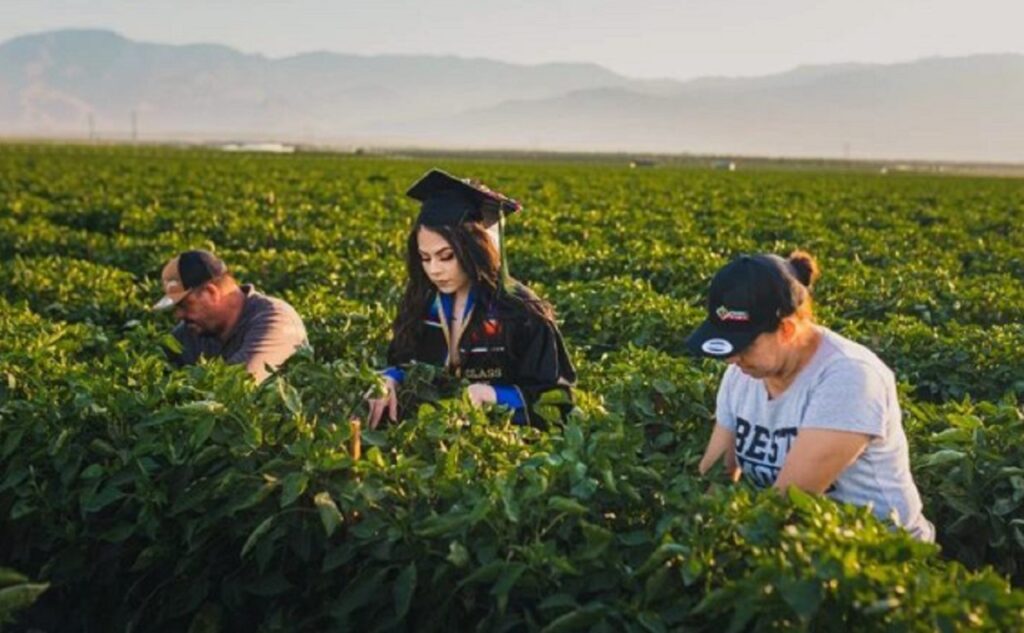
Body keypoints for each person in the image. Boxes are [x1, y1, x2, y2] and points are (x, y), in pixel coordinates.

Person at [688, 250, 934, 542]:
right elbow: (715, 477)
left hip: (884, 557)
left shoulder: (849, 378)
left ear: (787, 330)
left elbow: (785, 504)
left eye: (744, 346)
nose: (732, 359)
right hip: (803, 547)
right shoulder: (741, 376)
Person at [367, 169, 576, 429]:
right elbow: (402, 361)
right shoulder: (420, 301)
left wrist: (493, 396)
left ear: (473, 249)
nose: (434, 270)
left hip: (503, 449)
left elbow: (558, 400)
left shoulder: (522, 312)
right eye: (425, 257)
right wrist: (388, 379)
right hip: (426, 442)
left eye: (446, 257)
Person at [152, 249, 308, 383]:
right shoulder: (189, 331)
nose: (179, 315)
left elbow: (237, 385)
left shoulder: (275, 320)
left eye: (185, 305)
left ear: (211, 293)